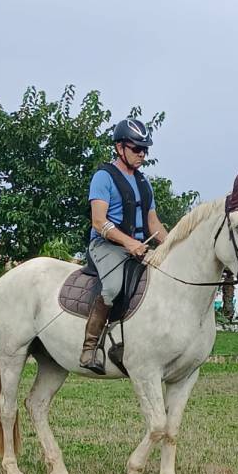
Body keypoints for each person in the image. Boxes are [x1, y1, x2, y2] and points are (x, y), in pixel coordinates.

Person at [79, 118, 168, 373]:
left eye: (145, 150)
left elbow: (154, 224)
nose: (142, 154)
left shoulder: (144, 182)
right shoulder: (103, 177)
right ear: (120, 148)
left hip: (139, 247)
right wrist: (128, 242)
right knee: (112, 287)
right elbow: (98, 221)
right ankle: (90, 348)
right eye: (136, 148)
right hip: (106, 246)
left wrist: (172, 245)